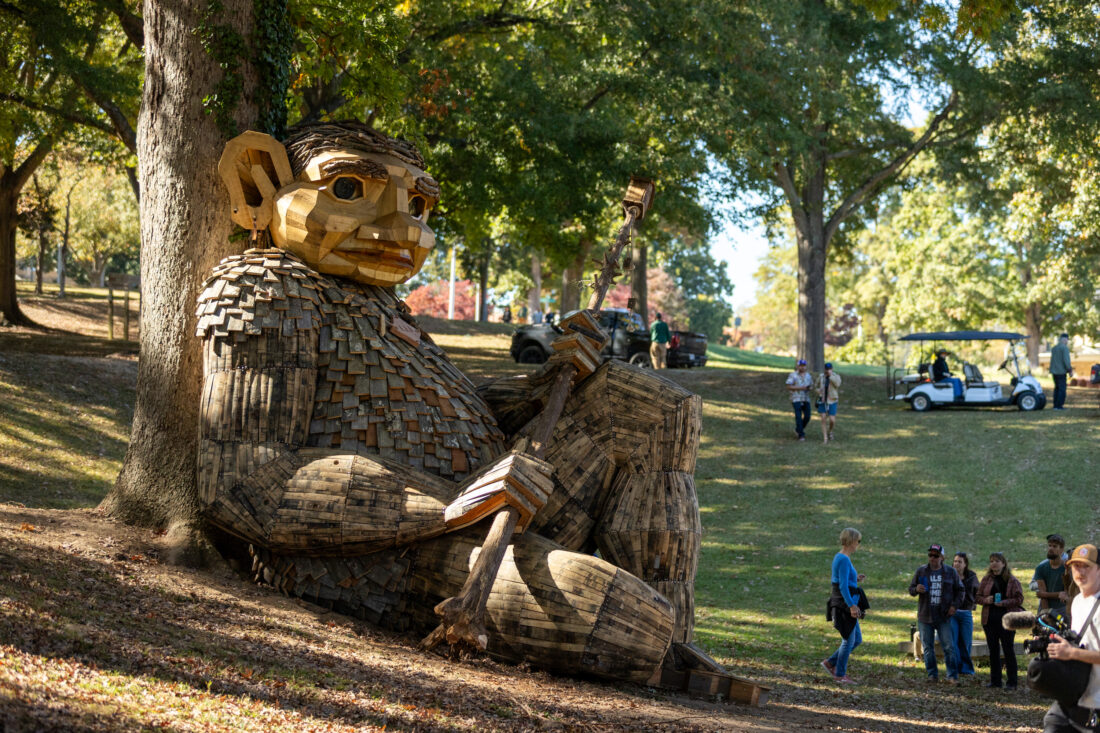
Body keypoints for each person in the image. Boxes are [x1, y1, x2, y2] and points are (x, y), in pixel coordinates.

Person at [199, 121, 708, 683]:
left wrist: (550, 382)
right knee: (629, 620)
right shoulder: (267, 288)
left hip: (498, 511)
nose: (403, 228)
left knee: (651, 405)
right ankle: (658, 640)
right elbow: (246, 483)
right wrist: (450, 503)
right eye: (348, 190)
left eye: (416, 205)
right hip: (386, 558)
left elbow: (454, 404)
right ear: (260, 186)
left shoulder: (385, 308)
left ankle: (678, 648)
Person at [1043, 544, 1100, 732]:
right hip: (1075, 693)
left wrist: (1072, 652)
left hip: (1097, 701)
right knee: (1053, 723)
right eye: (1076, 566)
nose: (1080, 572)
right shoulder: (1077, 602)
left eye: (1087, 566)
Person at [909, 543, 963, 683]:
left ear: (942, 557)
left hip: (944, 616)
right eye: (930, 555)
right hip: (925, 615)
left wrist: (954, 606)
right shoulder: (921, 571)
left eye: (936, 555)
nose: (932, 558)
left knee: (949, 647)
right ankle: (932, 675)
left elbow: (960, 591)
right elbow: (911, 589)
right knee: (927, 648)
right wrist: (916, 589)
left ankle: (952, 676)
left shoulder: (951, 572)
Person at [823, 527, 867, 685]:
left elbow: (844, 579)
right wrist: (852, 606)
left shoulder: (843, 558)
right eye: (858, 541)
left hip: (847, 601)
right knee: (849, 640)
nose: (858, 544)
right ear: (852, 541)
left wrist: (856, 579)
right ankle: (840, 674)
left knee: (856, 639)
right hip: (844, 603)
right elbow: (842, 586)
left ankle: (830, 663)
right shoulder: (842, 559)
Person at [976, 551, 1025, 689]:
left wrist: (1003, 603)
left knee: (1008, 649)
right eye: (991, 561)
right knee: (993, 650)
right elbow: (977, 597)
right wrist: (986, 600)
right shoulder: (986, 579)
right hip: (989, 620)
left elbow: (1019, 598)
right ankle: (995, 680)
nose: (994, 564)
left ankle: (1012, 682)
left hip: (1007, 620)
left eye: (997, 561)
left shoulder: (1012, 580)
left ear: (1003, 563)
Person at [952, 551, 979, 678]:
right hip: (952, 612)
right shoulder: (949, 575)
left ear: (965, 564)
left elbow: (977, 592)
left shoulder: (971, 576)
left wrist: (971, 603)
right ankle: (956, 668)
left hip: (966, 612)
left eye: (960, 562)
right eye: (955, 561)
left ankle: (967, 669)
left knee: (966, 641)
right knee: (954, 641)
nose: (957, 564)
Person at [1033, 534, 1070, 616]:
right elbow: (1043, 595)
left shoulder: (1067, 568)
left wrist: (1045, 594)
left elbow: (1065, 593)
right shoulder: (1041, 568)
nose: (1051, 548)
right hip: (1044, 607)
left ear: (1061, 549)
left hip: (1063, 608)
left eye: (1054, 546)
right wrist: (1046, 614)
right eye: (1049, 546)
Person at [785, 359, 813, 441]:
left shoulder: (808, 376)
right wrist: (801, 388)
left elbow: (811, 385)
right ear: (798, 366)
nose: (802, 367)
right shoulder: (793, 375)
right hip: (796, 398)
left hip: (806, 398)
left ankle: (798, 429)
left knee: (807, 416)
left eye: (804, 366)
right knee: (798, 416)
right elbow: (788, 386)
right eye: (801, 366)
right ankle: (801, 435)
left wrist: (809, 388)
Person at [815, 363, 841, 444]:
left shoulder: (836, 376)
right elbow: (816, 385)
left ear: (832, 369)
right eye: (826, 369)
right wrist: (817, 390)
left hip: (832, 400)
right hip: (823, 400)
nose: (827, 370)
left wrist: (830, 376)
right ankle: (825, 438)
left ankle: (830, 431)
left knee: (832, 420)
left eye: (829, 369)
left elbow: (837, 384)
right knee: (823, 418)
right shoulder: (821, 376)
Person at [1050, 333, 1073, 410]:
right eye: (1067, 340)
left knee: (1056, 388)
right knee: (1062, 389)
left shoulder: (1054, 348)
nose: (1067, 341)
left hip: (1054, 371)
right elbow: (1066, 361)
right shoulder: (1064, 348)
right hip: (1061, 372)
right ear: (1065, 339)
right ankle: (1059, 406)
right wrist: (1070, 370)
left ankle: (1055, 405)